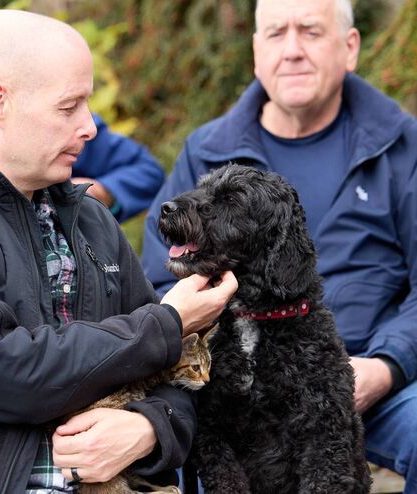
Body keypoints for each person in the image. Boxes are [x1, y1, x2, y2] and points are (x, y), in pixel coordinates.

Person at [0, 9, 238, 493]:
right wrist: (169, 323)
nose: (90, 127)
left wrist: (148, 429)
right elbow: (11, 375)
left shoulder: (90, 218)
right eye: (68, 106)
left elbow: (177, 381)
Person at [142, 0, 417, 491]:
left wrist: (389, 363)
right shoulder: (206, 151)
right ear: (255, 52)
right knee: (211, 452)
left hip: (382, 377)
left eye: (310, 31)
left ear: (350, 48)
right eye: (275, 33)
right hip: (236, 384)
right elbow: (165, 276)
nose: (291, 51)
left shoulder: (403, 147)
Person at [72, 113, 164, 222]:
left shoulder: (79, 134)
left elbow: (148, 171)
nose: (91, 128)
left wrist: (102, 191)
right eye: (68, 107)